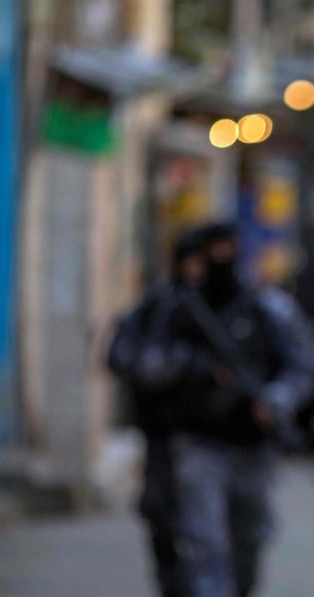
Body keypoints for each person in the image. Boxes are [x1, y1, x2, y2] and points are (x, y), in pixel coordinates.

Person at [110, 221, 314, 597]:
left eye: (227, 248)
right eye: (210, 251)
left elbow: (300, 366)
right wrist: (197, 370)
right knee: (202, 541)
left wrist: (275, 400)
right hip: (195, 441)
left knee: (249, 539)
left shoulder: (264, 309)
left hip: (252, 446)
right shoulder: (170, 308)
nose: (218, 260)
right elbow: (134, 360)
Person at [107, 226, 208, 597]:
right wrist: (163, 367)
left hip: (211, 435)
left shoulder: (234, 308)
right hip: (164, 432)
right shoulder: (158, 306)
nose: (198, 270)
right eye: (192, 262)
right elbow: (120, 353)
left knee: (209, 525)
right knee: (159, 512)